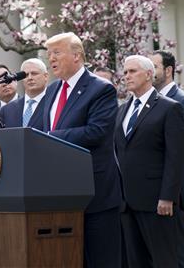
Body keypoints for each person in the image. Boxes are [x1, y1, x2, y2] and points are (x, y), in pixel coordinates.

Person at [41, 32, 121, 268]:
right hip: (59, 193)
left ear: (76, 56)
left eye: (57, 53)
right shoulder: (52, 90)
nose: (51, 59)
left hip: (94, 192)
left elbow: (96, 132)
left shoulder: (101, 89)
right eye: (49, 54)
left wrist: (49, 138)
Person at [114, 55, 184, 268]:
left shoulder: (169, 108)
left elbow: (176, 158)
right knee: (136, 262)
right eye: (125, 72)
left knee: (164, 261)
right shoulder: (122, 110)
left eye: (132, 71)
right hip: (127, 202)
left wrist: (168, 196)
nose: (127, 76)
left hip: (157, 202)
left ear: (148, 74)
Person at [150, 50, 184, 268]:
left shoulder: (183, 101)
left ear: (168, 70)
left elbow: (180, 151)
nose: (150, 71)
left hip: (176, 193)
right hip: (154, 190)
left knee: (182, 252)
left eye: (154, 67)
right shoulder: (150, 102)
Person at [1, 58, 49, 129]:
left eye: (34, 73)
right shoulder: (7, 110)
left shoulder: (54, 103)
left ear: (46, 76)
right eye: (26, 75)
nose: (30, 78)